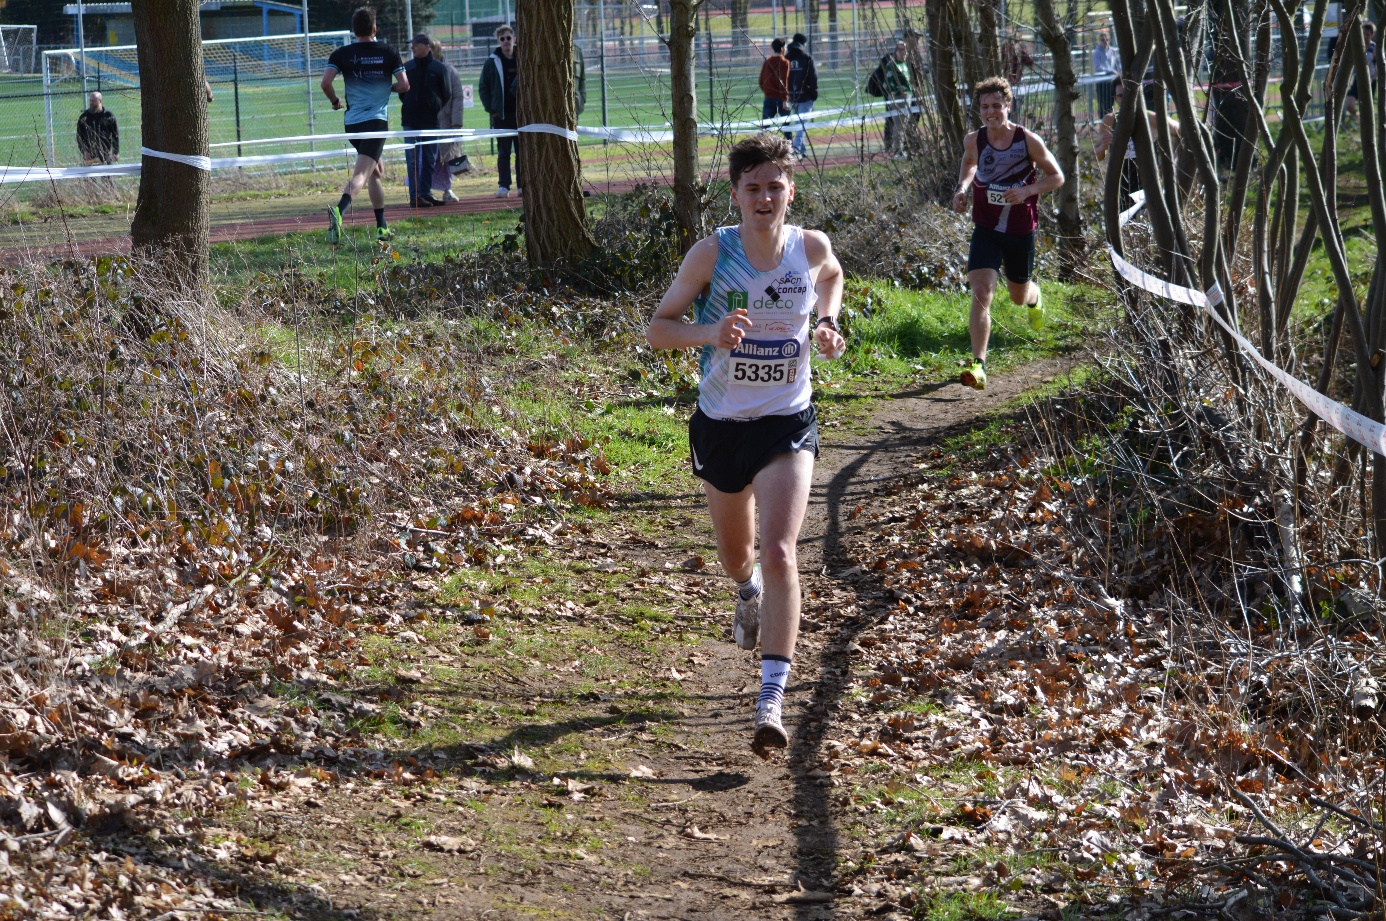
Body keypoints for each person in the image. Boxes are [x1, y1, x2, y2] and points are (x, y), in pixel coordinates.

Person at [645, 133, 845, 757]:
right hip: (721, 425)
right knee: (740, 558)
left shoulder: (809, 248)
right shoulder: (711, 254)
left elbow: (832, 275)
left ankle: (771, 698)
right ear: (735, 194)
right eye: (752, 187)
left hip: (787, 421)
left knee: (783, 550)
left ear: (790, 191)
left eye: (774, 186)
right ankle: (746, 588)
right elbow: (658, 329)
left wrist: (829, 321)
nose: (764, 197)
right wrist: (713, 331)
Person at [951, 77, 1064, 391]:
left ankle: (1034, 296)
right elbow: (969, 163)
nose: (991, 112)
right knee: (982, 291)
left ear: (1008, 106)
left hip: (1019, 230)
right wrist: (961, 189)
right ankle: (978, 364)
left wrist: (1028, 190)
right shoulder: (974, 139)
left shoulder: (1027, 140)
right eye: (985, 107)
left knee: (1017, 296)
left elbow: (1057, 177)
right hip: (986, 227)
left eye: (996, 106)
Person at [322, 7, 408, 244]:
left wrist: (335, 101)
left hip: (352, 124)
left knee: (376, 171)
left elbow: (325, 83)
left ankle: (381, 227)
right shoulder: (388, 52)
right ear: (374, 28)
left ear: (354, 30)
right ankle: (339, 210)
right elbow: (404, 85)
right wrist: (386, 88)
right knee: (361, 173)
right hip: (376, 124)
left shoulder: (342, 53)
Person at [1095, 78, 1180, 209]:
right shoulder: (1109, 121)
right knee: (1128, 224)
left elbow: (1181, 133)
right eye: (1120, 96)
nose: (1125, 99)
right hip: (1122, 183)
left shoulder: (1151, 118)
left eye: (1128, 94)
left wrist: (1170, 161)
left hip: (1150, 181)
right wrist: (1104, 146)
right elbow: (1098, 156)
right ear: (1115, 98)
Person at [401, 33, 452, 208]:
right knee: (413, 159)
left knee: (430, 159)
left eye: (416, 44)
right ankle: (415, 196)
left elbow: (446, 94)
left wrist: (433, 107)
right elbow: (402, 93)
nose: (412, 47)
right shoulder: (407, 68)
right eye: (412, 44)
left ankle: (425, 193)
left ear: (427, 47)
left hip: (430, 122)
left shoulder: (439, 69)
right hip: (410, 120)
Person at [479, 23, 520, 198]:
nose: (506, 42)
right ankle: (504, 185)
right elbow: (483, 87)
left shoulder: (523, 58)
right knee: (504, 152)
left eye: (508, 38)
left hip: (521, 115)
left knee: (522, 152)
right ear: (498, 41)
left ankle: (522, 185)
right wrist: (492, 109)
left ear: (514, 39)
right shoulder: (492, 62)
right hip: (501, 115)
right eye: (502, 39)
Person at [429, 39, 466, 203]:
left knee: (447, 157)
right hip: (427, 123)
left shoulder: (450, 71)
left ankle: (447, 189)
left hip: (446, 122)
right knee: (427, 157)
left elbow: (458, 97)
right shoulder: (421, 70)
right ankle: (422, 191)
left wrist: (456, 123)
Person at [786, 33, 818, 160]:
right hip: (805, 96)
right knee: (801, 124)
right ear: (803, 44)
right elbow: (813, 76)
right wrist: (813, 91)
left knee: (799, 123)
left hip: (791, 96)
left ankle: (802, 151)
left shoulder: (786, 58)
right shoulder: (807, 58)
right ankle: (796, 149)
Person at [880, 40, 912, 158]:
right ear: (896, 51)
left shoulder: (904, 65)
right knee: (898, 125)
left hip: (907, 98)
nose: (904, 53)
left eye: (905, 50)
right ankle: (897, 150)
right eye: (901, 50)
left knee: (904, 124)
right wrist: (898, 92)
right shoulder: (891, 66)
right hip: (898, 98)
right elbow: (886, 84)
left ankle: (903, 149)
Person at [759, 38, 792, 141]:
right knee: (787, 126)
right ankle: (789, 149)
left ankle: (760, 148)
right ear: (782, 48)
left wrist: (767, 91)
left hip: (768, 98)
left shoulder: (767, 62)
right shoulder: (784, 62)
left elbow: (761, 80)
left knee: (765, 127)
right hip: (780, 98)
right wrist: (785, 99)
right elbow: (783, 81)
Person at [76, 91, 119, 165]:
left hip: (105, 154)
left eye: (94, 101)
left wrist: (115, 152)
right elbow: (79, 136)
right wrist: (84, 151)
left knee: (107, 176)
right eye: (90, 100)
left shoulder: (108, 116)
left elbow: (115, 135)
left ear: (100, 101)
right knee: (89, 176)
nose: (91, 103)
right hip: (89, 156)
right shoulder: (84, 117)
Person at [1346, 21, 1377, 120]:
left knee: (1367, 107)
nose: (1365, 36)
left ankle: (1367, 123)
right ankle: (1357, 116)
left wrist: (1373, 78)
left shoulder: (1374, 48)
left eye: (1368, 34)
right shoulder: (1357, 47)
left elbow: (1379, 67)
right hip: (1357, 79)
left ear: (1372, 35)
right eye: (1363, 33)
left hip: (1370, 80)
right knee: (1349, 105)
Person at [1000, 35, 1035, 120]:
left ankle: (1012, 120)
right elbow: (1031, 63)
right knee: (1012, 105)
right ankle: (1010, 120)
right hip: (1008, 82)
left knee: (1015, 105)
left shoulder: (1018, 53)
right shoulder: (1005, 53)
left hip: (1014, 82)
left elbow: (1030, 63)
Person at [1092, 31, 1120, 116]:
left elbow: (1118, 63)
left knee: (1111, 102)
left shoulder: (1113, 51)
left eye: (1107, 39)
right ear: (1099, 41)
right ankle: (1103, 122)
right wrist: (1110, 71)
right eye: (1103, 40)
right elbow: (1098, 68)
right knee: (1103, 104)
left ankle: (1111, 122)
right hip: (1102, 82)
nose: (1105, 41)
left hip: (1112, 81)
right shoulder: (1096, 52)